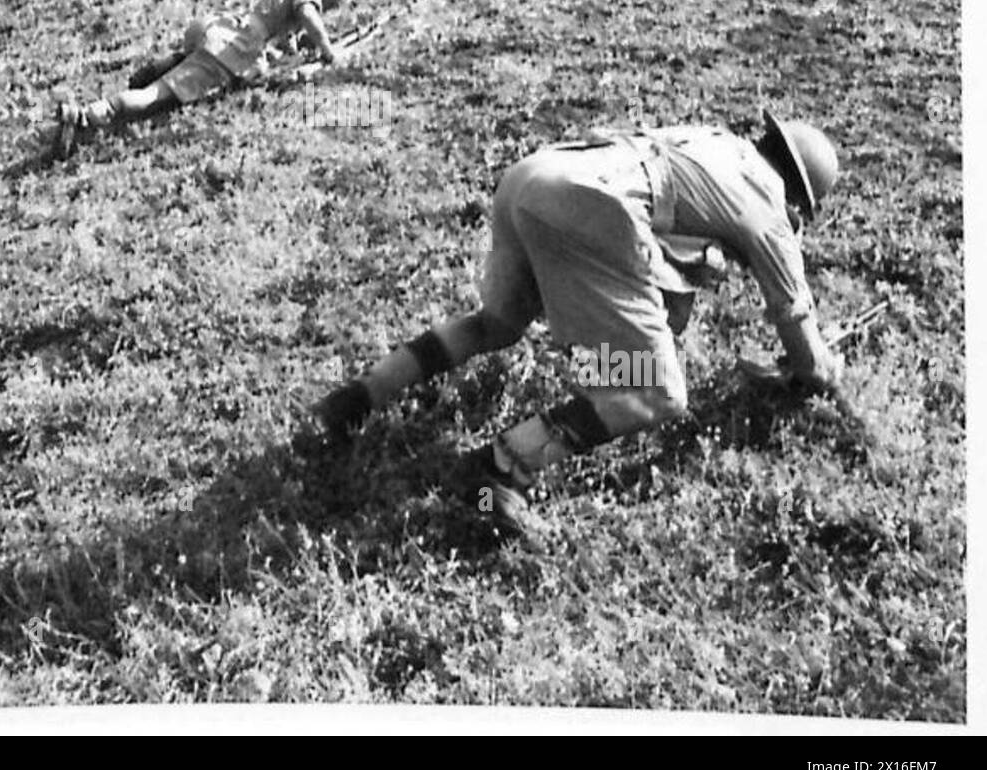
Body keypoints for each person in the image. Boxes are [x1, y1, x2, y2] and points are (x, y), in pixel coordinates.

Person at [313, 112, 843, 547]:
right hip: (591, 209)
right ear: (798, 200)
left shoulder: (717, 145)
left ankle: (351, 401)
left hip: (538, 175)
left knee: (496, 324)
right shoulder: (769, 206)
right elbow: (796, 324)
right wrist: (818, 369)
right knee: (658, 393)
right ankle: (495, 473)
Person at [53, 0, 358, 157]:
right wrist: (329, 52)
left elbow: (284, 32)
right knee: (155, 96)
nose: (336, 6)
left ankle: (167, 66)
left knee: (176, 76)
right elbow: (308, 13)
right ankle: (86, 115)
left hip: (220, 28)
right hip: (231, 48)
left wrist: (296, 47)